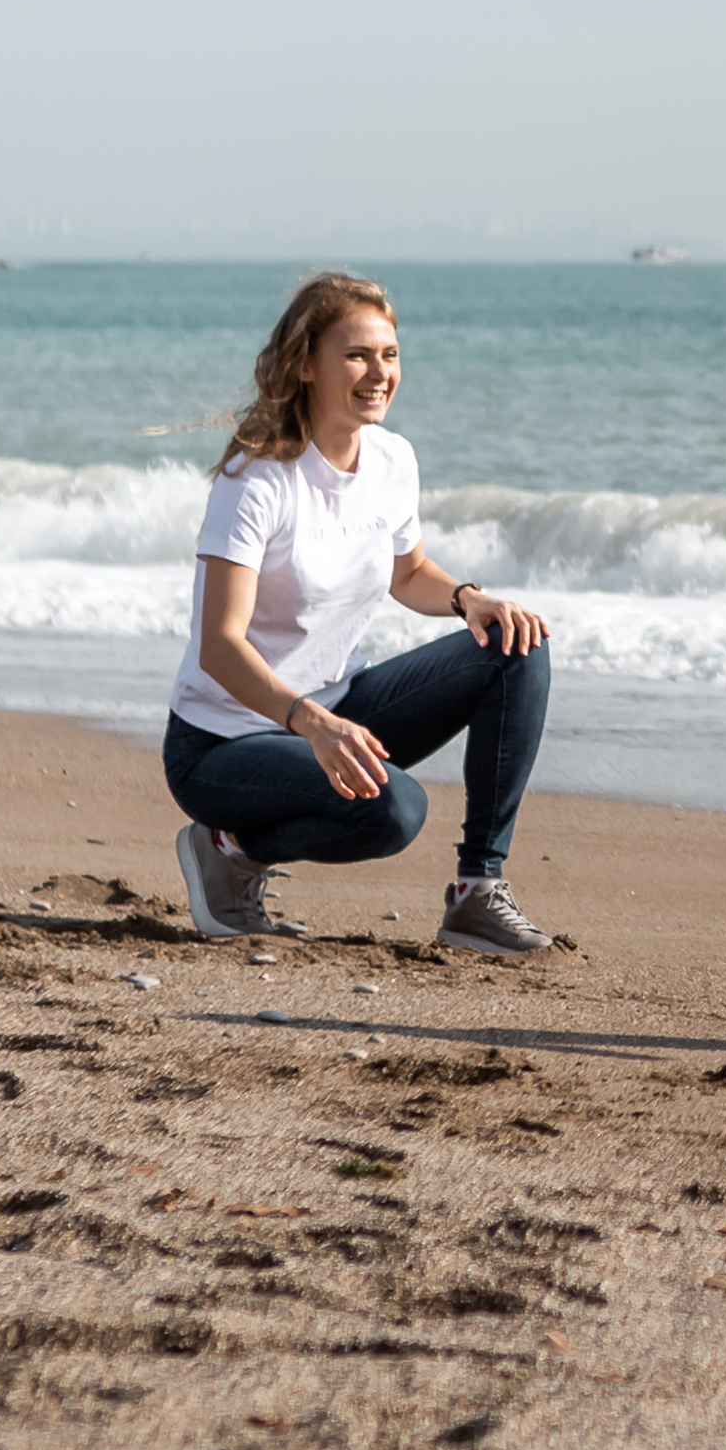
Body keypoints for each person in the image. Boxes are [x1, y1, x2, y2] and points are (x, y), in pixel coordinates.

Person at [162, 272, 554, 953]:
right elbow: (219, 647)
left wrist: (469, 600)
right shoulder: (256, 479)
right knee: (395, 812)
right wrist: (312, 724)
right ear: (306, 365)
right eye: (357, 355)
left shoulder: (393, 459)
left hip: (334, 709)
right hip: (223, 745)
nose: (380, 373)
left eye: (390, 355)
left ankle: (478, 893)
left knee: (513, 645)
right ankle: (228, 848)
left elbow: (408, 572)